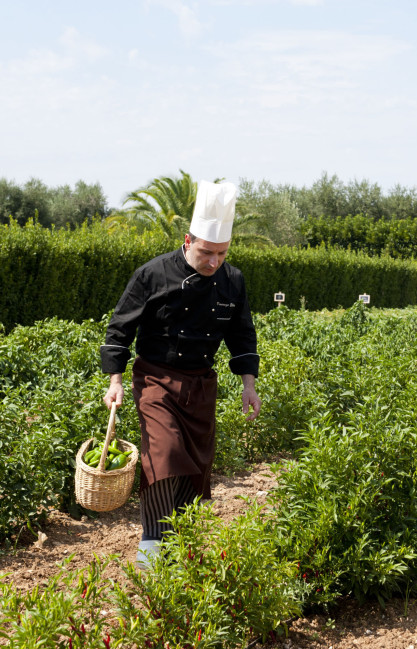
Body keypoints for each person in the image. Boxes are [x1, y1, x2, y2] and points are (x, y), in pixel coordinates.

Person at [100, 180, 261, 569]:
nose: (214, 262)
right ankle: (151, 544)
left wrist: (248, 386)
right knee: (165, 454)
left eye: (222, 254)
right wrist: (116, 380)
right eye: (207, 252)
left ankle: (178, 541)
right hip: (155, 379)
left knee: (194, 468)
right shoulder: (152, 275)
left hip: (200, 385)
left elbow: (242, 334)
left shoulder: (232, 281)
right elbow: (120, 327)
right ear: (188, 241)